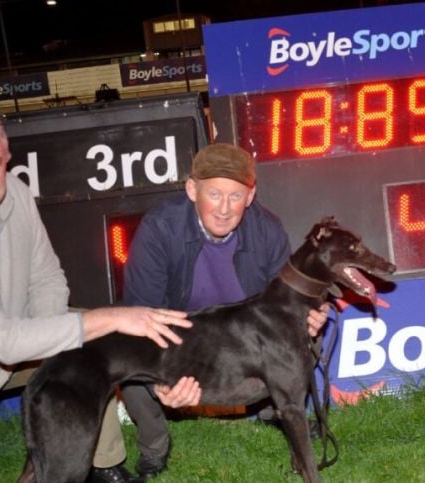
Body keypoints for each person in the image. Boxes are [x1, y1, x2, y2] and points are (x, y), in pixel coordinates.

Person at [0, 104, 202, 483]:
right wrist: (110, 317)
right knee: (96, 325)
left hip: (13, 341)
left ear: (7, 160)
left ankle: (96, 463)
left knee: (95, 343)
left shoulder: (15, 195)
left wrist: (59, 347)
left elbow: (46, 277)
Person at [120, 143, 329, 479]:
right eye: (214, 194)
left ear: (250, 196)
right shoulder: (159, 228)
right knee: (127, 358)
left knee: (305, 336)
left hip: (240, 334)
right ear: (192, 189)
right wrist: (158, 382)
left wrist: (311, 314)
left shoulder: (267, 228)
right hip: (182, 334)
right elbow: (142, 314)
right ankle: (154, 446)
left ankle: (276, 411)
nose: (224, 209)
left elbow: (287, 303)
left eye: (235, 196)